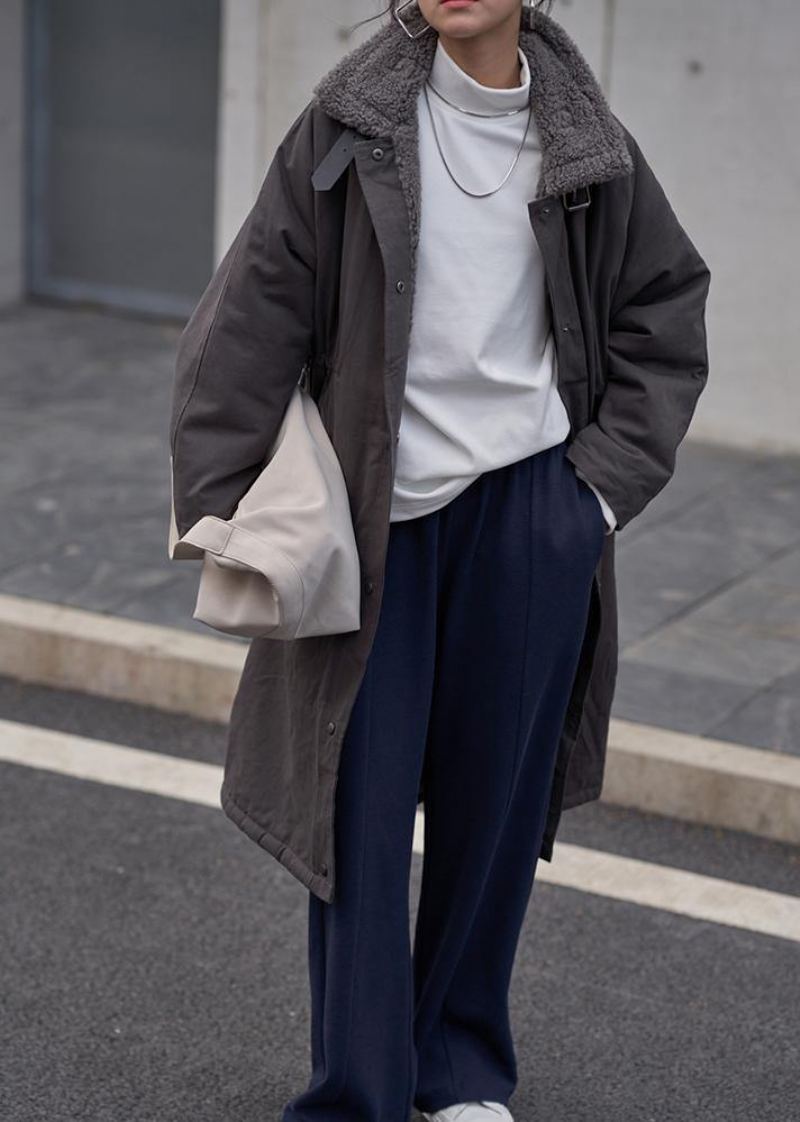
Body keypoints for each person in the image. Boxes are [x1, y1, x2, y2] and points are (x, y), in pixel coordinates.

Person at [167, 2, 711, 1120]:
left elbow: (664, 308)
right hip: (375, 526)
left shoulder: (587, 146)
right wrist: (221, 504)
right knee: (356, 816)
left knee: (493, 811)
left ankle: (457, 1070)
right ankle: (360, 1092)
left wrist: (592, 498)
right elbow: (251, 314)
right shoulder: (346, 124)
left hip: (527, 515)